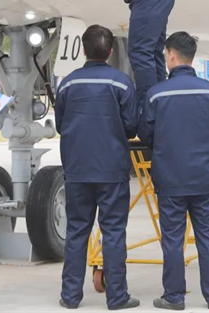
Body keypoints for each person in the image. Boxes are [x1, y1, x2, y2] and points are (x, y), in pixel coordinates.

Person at [138, 32, 209, 310]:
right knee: (208, 237)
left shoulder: (156, 94)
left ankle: (174, 297)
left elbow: (146, 134)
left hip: (170, 178)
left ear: (171, 55)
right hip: (204, 177)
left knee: (173, 240)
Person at [55, 25, 139, 310]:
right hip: (112, 169)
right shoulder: (122, 83)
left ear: (83, 49)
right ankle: (117, 297)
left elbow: (61, 125)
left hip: (77, 168)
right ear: (111, 51)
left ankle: (70, 296)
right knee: (113, 231)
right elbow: (131, 126)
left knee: (77, 231)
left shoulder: (67, 84)